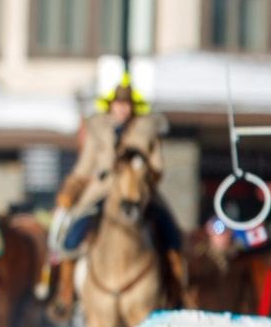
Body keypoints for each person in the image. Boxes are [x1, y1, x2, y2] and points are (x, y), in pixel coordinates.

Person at [50, 79, 182, 313]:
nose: (122, 109)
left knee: (170, 232)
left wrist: (143, 175)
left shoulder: (146, 131)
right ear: (111, 106)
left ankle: (175, 289)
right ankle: (66, 293)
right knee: (72, 235)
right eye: (118, 104)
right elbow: (83, 168)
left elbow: (158, 166)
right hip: (102, 192)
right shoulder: (98, 130)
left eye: (127, 105)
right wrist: (70, 191)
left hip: (137, 193)